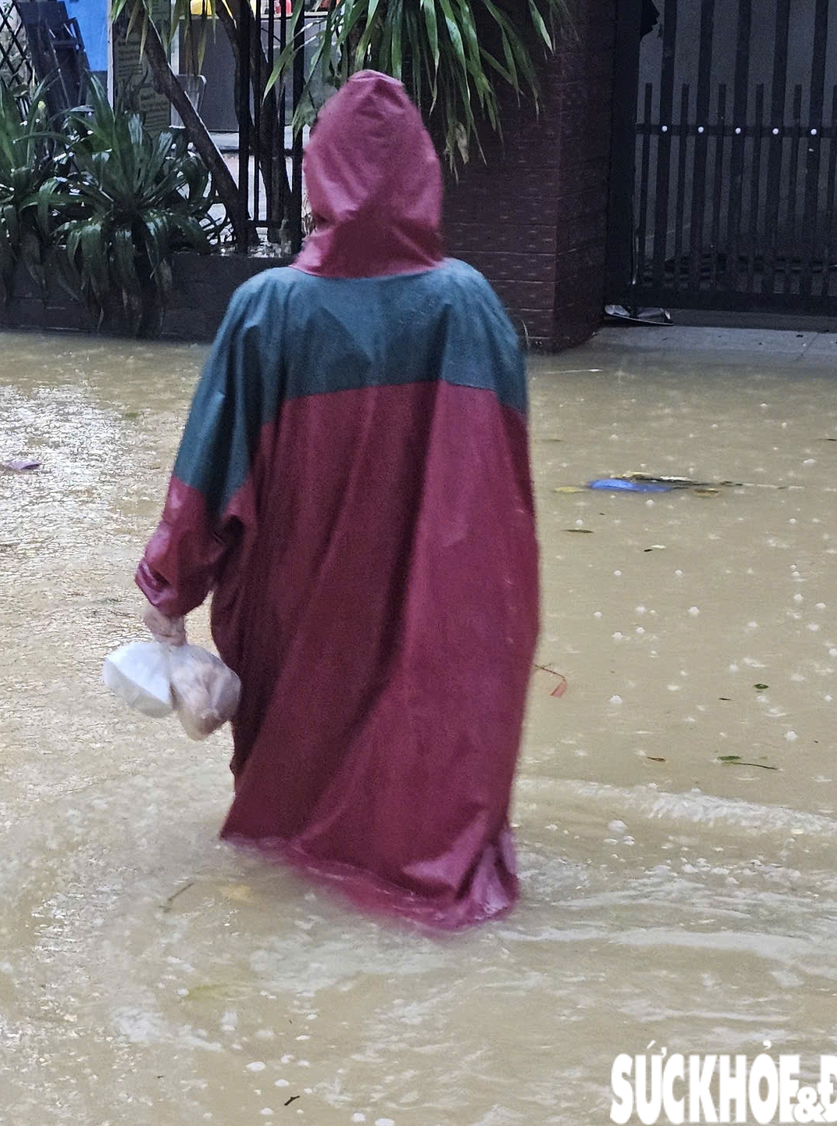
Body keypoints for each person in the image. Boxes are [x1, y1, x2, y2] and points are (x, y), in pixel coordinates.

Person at [133, 71, 539, 930]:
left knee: (290, 841)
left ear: (321, 175)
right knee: (423, 807)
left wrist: (167, 605)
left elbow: (204, 481)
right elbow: (508, 505)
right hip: (439, 621)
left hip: (300, 622)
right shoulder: (473, 308)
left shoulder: (265, 313)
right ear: (423, 177)